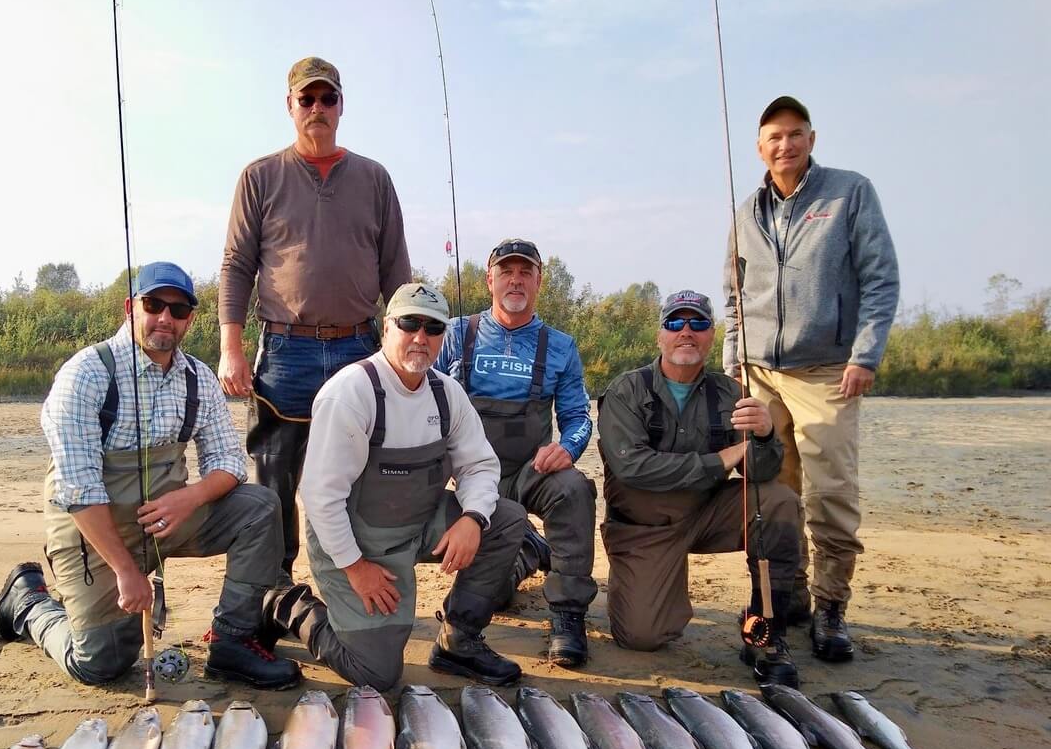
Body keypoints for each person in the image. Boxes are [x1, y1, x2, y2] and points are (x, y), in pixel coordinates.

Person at [0, 261, 300, 690]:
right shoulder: (85, 374)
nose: (166, 319)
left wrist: (188, 498)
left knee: (261, 507)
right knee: (99, 664)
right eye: (154, 304)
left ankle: (233, 643)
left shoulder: (198, 378)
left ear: (190, 318)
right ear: (129, 308)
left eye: (179, 309)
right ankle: (29, 604)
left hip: (169, 518)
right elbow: (78, 489)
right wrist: (126, 571)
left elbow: (230, 463)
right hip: (94, 531)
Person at [257, 283, 527, 691]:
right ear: (387, 328)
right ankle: (288, 603)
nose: (421, 337)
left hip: (420, 526)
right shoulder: (351, 393)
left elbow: (481, 466)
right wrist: (356, 568)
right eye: (409, 323)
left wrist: (472, 518)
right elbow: (320, 497)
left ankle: (459, 638)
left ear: (443, 337)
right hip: (354, 544)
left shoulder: (448, 393)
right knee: (377, 673)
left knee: (505, 519)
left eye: (433, 328)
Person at [218, 56, 412, 584]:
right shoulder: (259, 177)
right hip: (285, 351)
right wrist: (230, 347)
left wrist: (407, 349)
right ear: (291, 106)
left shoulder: (375, 178)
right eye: (307, 99)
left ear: (341, 106)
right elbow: (236, 265)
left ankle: (352, 580)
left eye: (328, 99)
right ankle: (272, 588)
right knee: (274, 477)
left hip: (360, 348)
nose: (318, 108)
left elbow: (396, 271)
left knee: (362, 474)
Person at [723, 95, 899, 662]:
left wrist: (865, 356)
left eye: (795, 135)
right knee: (775, 491)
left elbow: (880, 280)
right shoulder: (746, 210)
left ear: (812, 139)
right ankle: (787, 598)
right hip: (761, 376)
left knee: (830, 494)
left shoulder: (849, 193)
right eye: (774, 137)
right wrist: (734, 367)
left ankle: (831, 608)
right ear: (760, 147)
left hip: (827, 371)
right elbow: (734, 296)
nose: (786, 145)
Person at [598, 290, 802, 686]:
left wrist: (763, 436)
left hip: (707, 514)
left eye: (698, 324)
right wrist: (722, 459)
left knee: (778, 501)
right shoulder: (626, 390)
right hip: (645, 528)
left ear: (712, 336)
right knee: (641, 637)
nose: (686, 332)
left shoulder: (731, 392)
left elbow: (761, 471)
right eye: (675, 323)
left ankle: (765, 628)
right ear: (660, 336)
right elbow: (632, 467)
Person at [433, 238, 597, 668]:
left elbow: (580, 417)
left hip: (531, 470)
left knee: (575, 488)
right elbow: (420, 398)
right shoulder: (454, 334)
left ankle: (567, 616)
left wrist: (568, 447)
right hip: (469, 475)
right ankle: (527, 547)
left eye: (526, 272)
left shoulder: (561, 345)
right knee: (498, 597)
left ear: (540, 281)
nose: (516, 280)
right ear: (490, 279)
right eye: (507, 271)